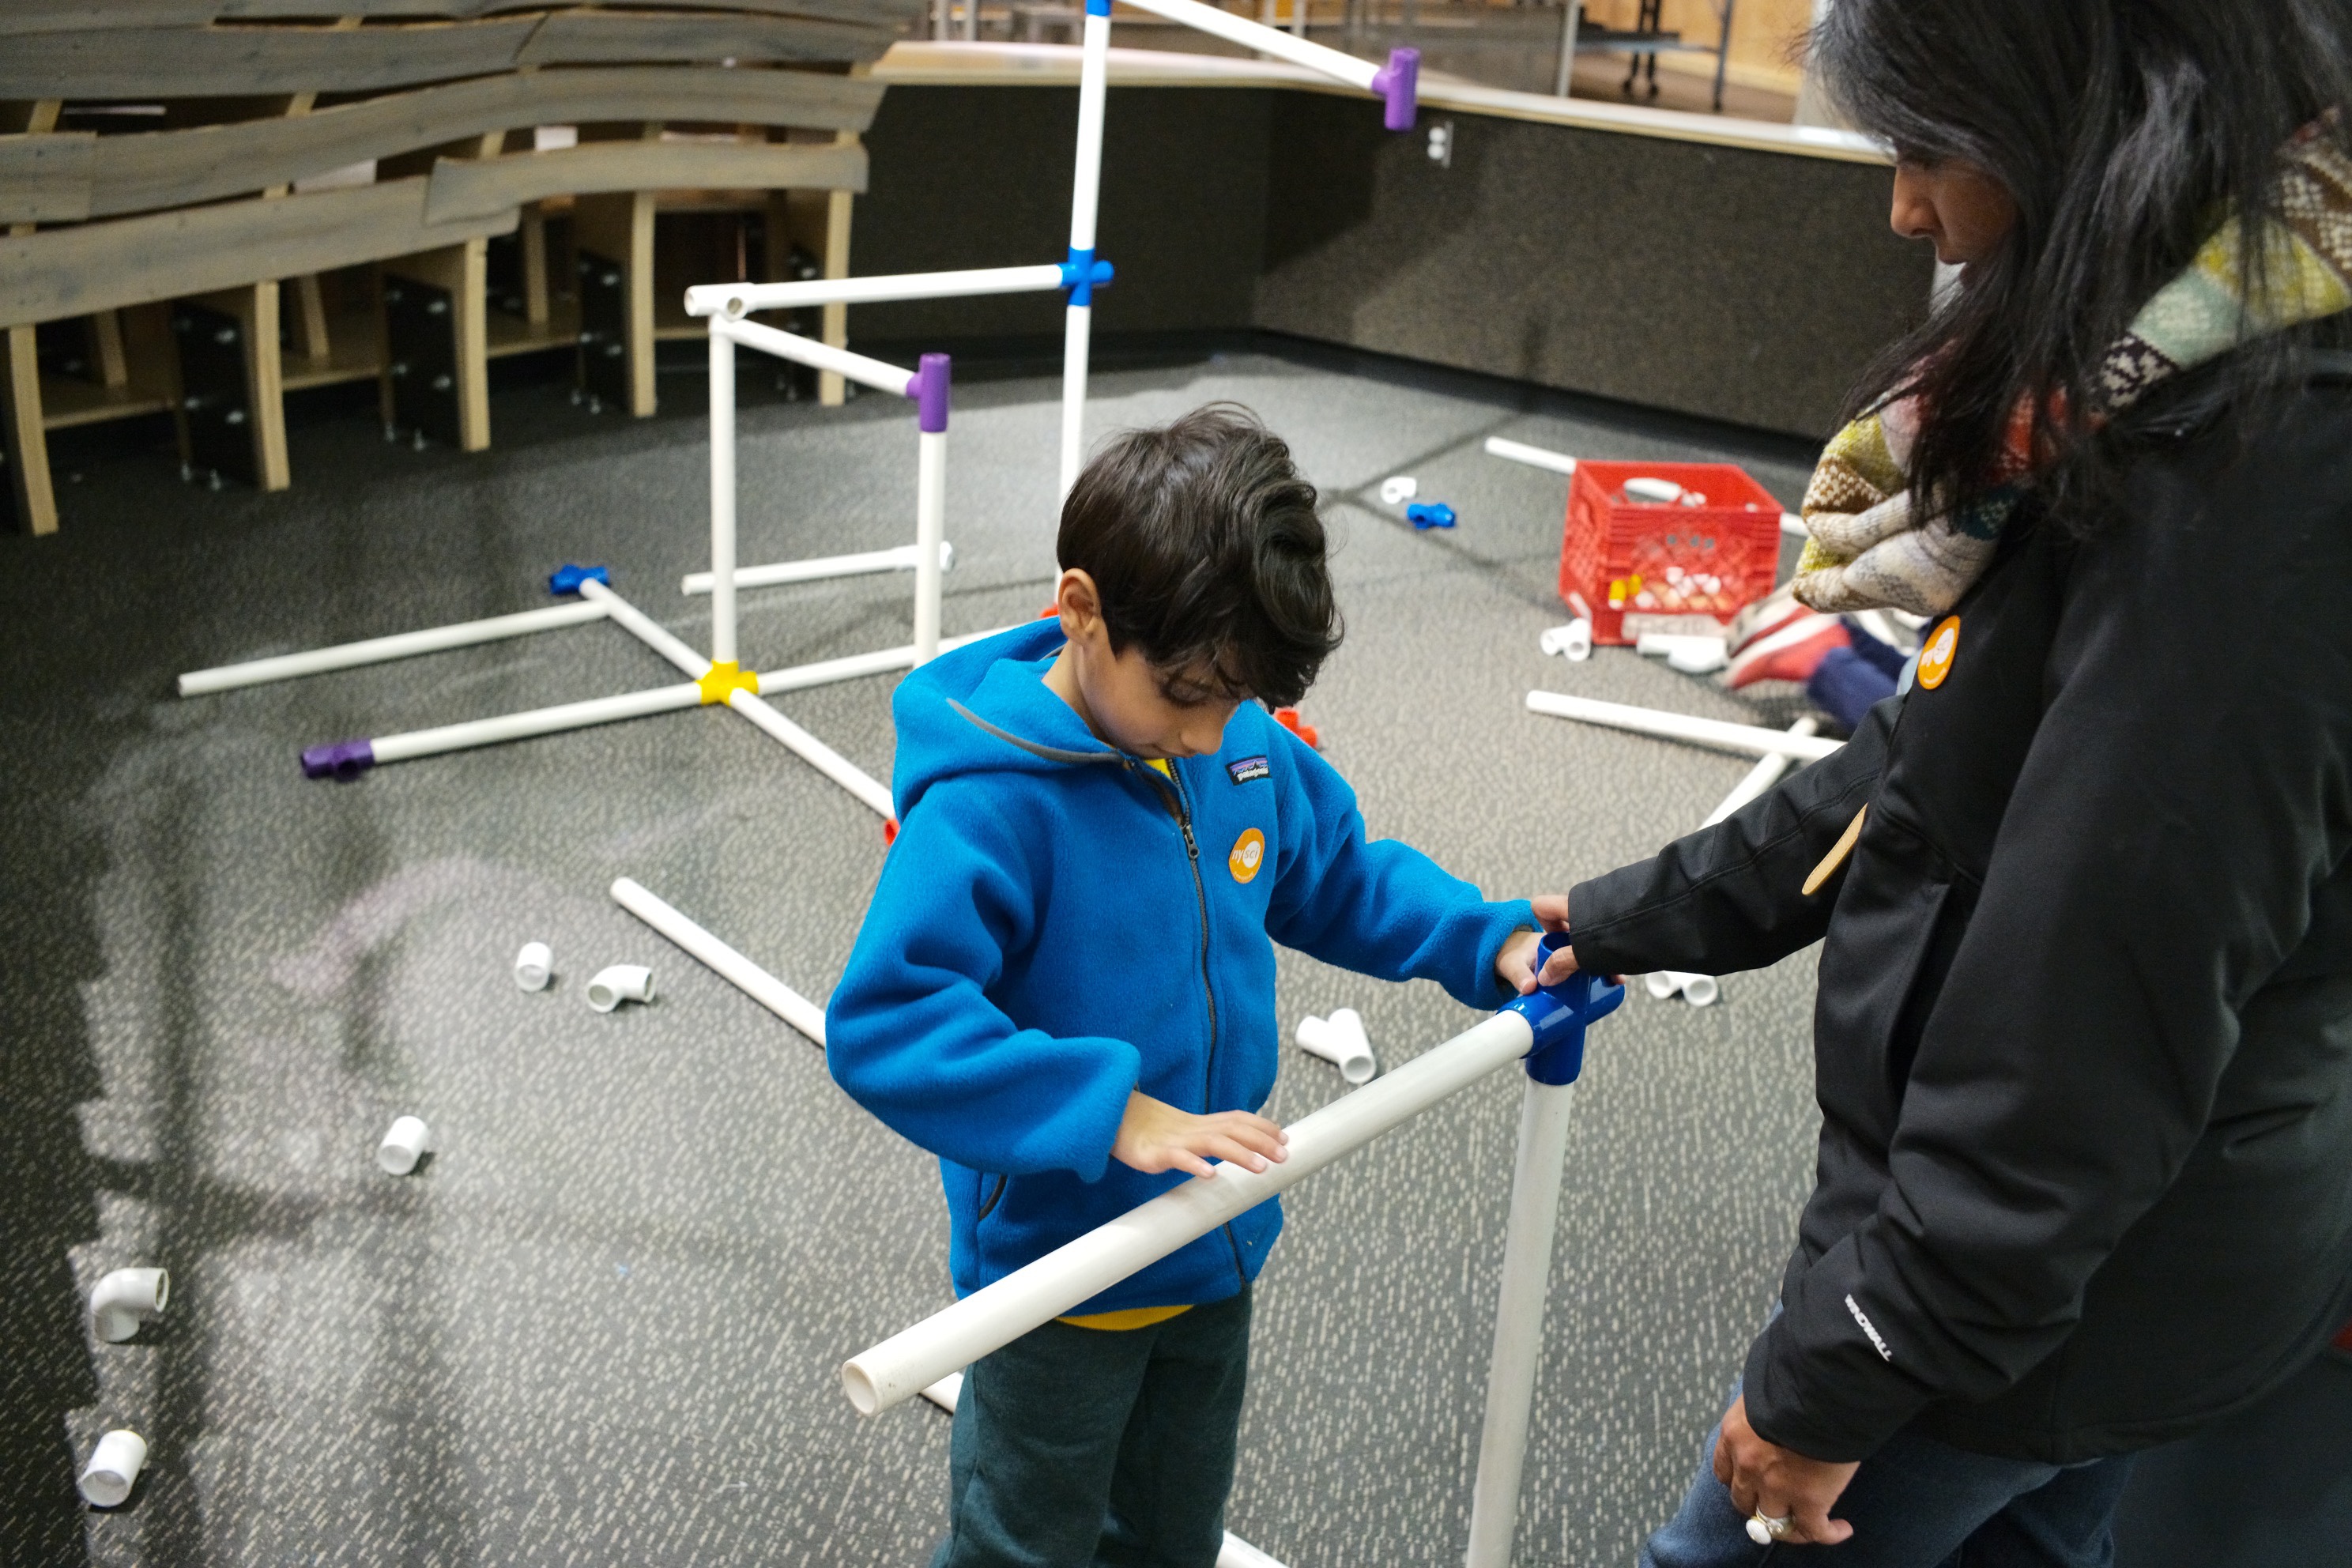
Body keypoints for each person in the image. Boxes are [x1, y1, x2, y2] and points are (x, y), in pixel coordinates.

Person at [1532, 2, 2352, 1563]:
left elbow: (2089, 1000)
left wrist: (1855, 1360)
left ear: (2085, 117)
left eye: (1928, 146)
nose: (1905, 207)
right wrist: (1641, 910)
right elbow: (1938, 752)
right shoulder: (2156, 365)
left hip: (2035, 1315)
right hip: (2075, 1285)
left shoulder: (2254, 464)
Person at [827, 405, 1561, 1568]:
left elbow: (1339, 875)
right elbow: (888, 1020)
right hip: (1061, 1273)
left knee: (1173, 1535)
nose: (1214, 737)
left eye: (1238, 700)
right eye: (1187, 696)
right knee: (1026, 1545)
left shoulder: (1237, 741)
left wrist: (1487, 938)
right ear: (1082, 611)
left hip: (1214, 1240)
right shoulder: (990, 805)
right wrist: (1111, 1113)